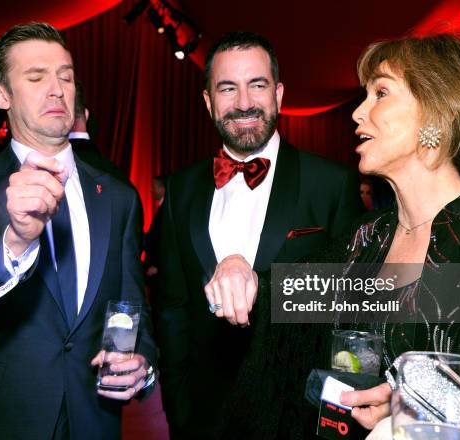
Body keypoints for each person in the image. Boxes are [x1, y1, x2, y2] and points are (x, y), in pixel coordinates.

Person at [209, 33, 460, 439]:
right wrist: (239, 269)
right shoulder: (367, 237)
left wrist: (421, 413)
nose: (358, 113)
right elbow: (284, 305)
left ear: (435, 113)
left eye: (381, 93)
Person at [0, 22, 156, 439]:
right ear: (2, 94)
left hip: (94, 419)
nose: (57, 89)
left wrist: (140, 363)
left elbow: (128, 304)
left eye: (65, 76)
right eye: (36, 77)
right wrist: (16, 239)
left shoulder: (119, 196)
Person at [153, 31, 362, 439]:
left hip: (295, 417)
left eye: (258, 85)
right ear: (209, 101)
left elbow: (350, 304)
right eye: (228, 89)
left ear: (279, 94)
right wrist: (177, 405)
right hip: (203, 418)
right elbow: (172, 306)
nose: (244, 103)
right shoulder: (181, 189)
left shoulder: (331, 183)